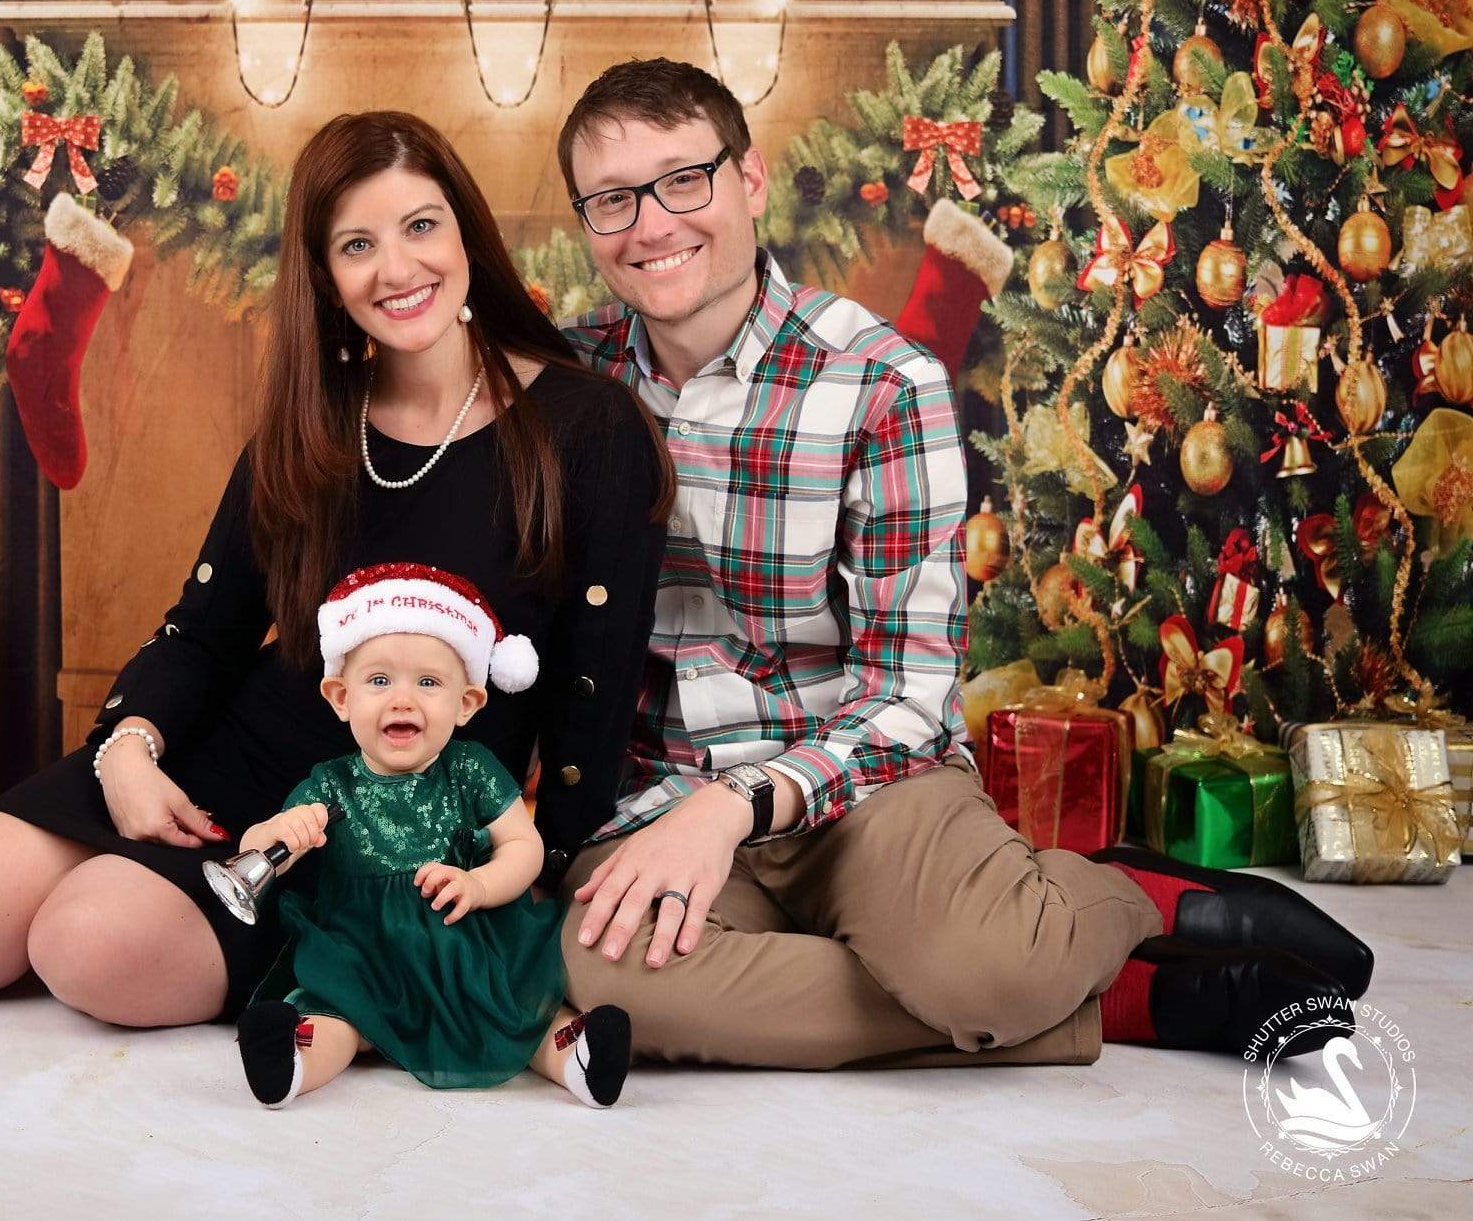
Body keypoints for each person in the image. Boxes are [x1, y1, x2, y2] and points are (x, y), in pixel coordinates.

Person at [550, 57, 1374, 1069]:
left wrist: (739, 805)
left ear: (749, 182)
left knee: (977, 970)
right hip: (660, 793)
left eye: (684, 180)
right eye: (612, 200)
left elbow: (907, 697)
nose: (652, 224)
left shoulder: (882, 382)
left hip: (859, 780)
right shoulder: (564, 378)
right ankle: (1123, 999)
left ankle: (1094, 896)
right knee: (609, 977)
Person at [0, 111, 670, 1032]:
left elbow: (594, 698)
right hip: (223, 754)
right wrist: (128, 750)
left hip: (369, 823)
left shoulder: (588, 429)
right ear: (325, 277)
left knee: (87, 946)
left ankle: (186, 920)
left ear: (467, 233)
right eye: (358, 244)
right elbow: (204, 630)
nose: (397, 269)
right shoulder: (314, 421)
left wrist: (533, 880)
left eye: (421, 226)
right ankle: (87, 873)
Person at [236, 563, 633, 1109]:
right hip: (360, 947)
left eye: (428, 683)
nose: (403, 700)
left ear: (465, 703)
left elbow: (524, 846)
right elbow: (261, 850)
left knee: (517, 1008)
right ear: (340, 697)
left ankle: (578, 1055)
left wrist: (480, 885)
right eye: (379, 680)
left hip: (463, 940)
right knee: (336, 1013)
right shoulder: (331, 783)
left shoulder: (469, 769)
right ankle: (292, 1061)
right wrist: (281, 829)